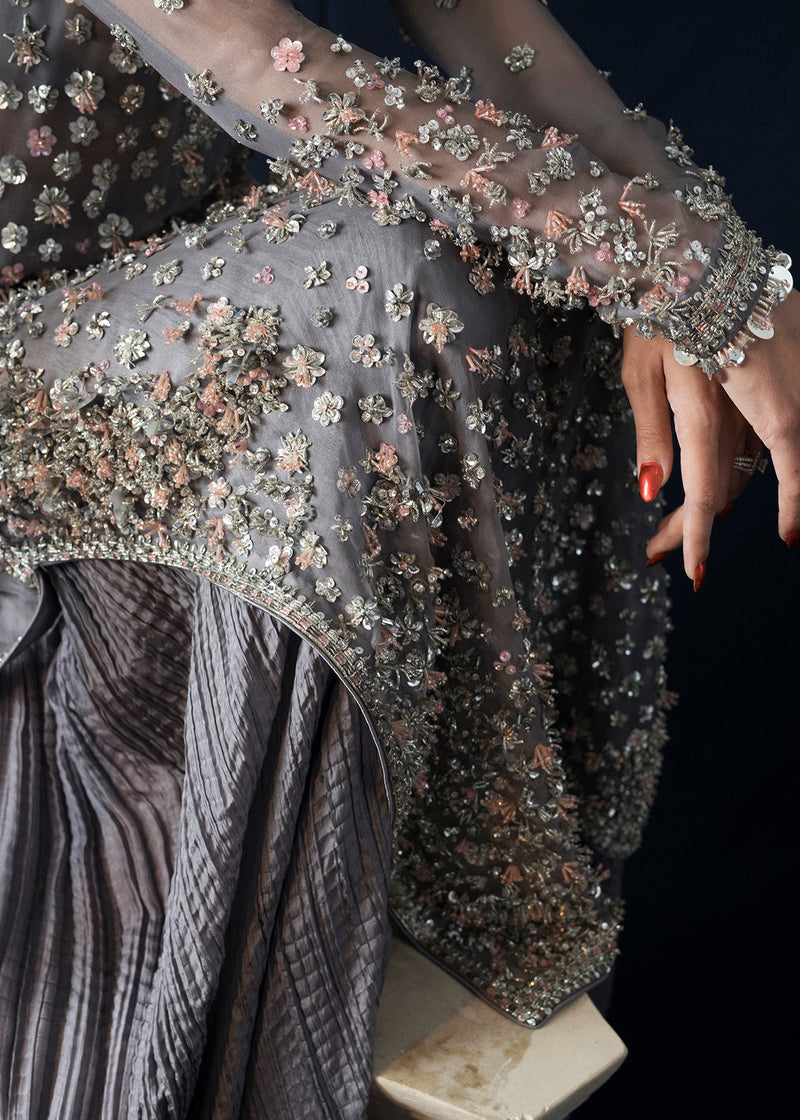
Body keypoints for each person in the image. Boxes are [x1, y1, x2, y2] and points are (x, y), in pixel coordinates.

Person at [0, 2, 796, 1117]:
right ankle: (317, 953)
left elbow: (505, 46)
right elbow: (270, 71)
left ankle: (422, 884)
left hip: (160, 302)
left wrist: (715, 278)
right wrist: (684, 278)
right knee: (387, 265)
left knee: (488, 241)